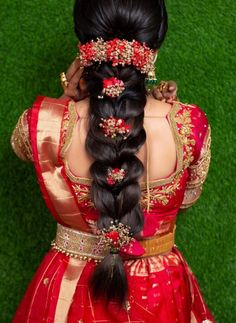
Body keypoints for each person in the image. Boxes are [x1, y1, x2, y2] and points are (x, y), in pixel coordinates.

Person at [11, 0, 215, 322]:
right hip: (158, 285)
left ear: (83, 49)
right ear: (154, 51)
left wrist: (65, 98)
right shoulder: (189, 125)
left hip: (69, 286)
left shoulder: (47, 125)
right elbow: (188, 198)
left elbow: (23, 147)